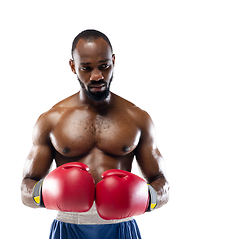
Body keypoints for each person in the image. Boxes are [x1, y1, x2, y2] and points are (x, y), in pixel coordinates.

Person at [21, 29, 170, 239]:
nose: (97, 76)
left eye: (104, 66)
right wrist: (46, 193)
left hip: (121, 226)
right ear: (73, 67)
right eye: (86, 68)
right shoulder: (51, 120)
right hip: (69, 227)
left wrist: (147, 197)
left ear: (114, 61)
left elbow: (161, 182)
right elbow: (26, 187)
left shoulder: (138, 118)